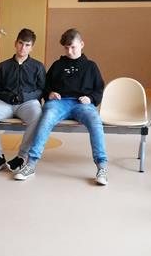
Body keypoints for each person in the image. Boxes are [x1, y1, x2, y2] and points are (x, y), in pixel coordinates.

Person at [14, 28, 109, 185]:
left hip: (82, 104)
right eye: (66, 48)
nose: (69, 51)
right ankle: (30, 164)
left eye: (73, 47)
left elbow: (99, 88)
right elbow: (45, 86)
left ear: (82, 44)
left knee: (95, 122)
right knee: (45, 118)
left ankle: (102, 167)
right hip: (58, 103)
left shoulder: (91, 66)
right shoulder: (57, 65)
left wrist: (91, 98)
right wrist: (50, 93)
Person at [0, 28, 45, 172]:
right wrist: (8, 97)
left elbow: (41, 90)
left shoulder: (38, 66)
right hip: (5, 103)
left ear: (32, 47)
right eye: (21, 43)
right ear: (15, 43)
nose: (23, 48)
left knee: (37, 116)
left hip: (28, 103)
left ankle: (21, 156)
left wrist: (25, 97)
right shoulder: (3, 66)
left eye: (27, 45)